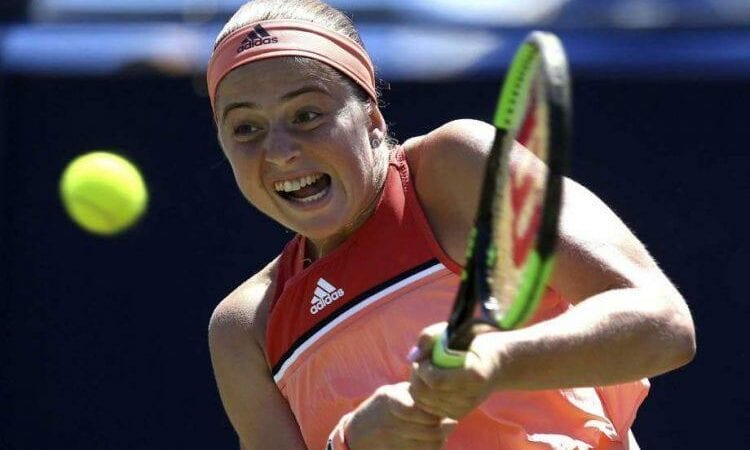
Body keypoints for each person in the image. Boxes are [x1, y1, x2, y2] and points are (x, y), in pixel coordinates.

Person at [206, 1, 696, 449]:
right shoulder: (245, 329)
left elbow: (663, 324)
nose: (280, 151)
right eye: (246, 128)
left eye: (307, 115)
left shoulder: (455, 171)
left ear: (372, 119)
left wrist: (496, 361)